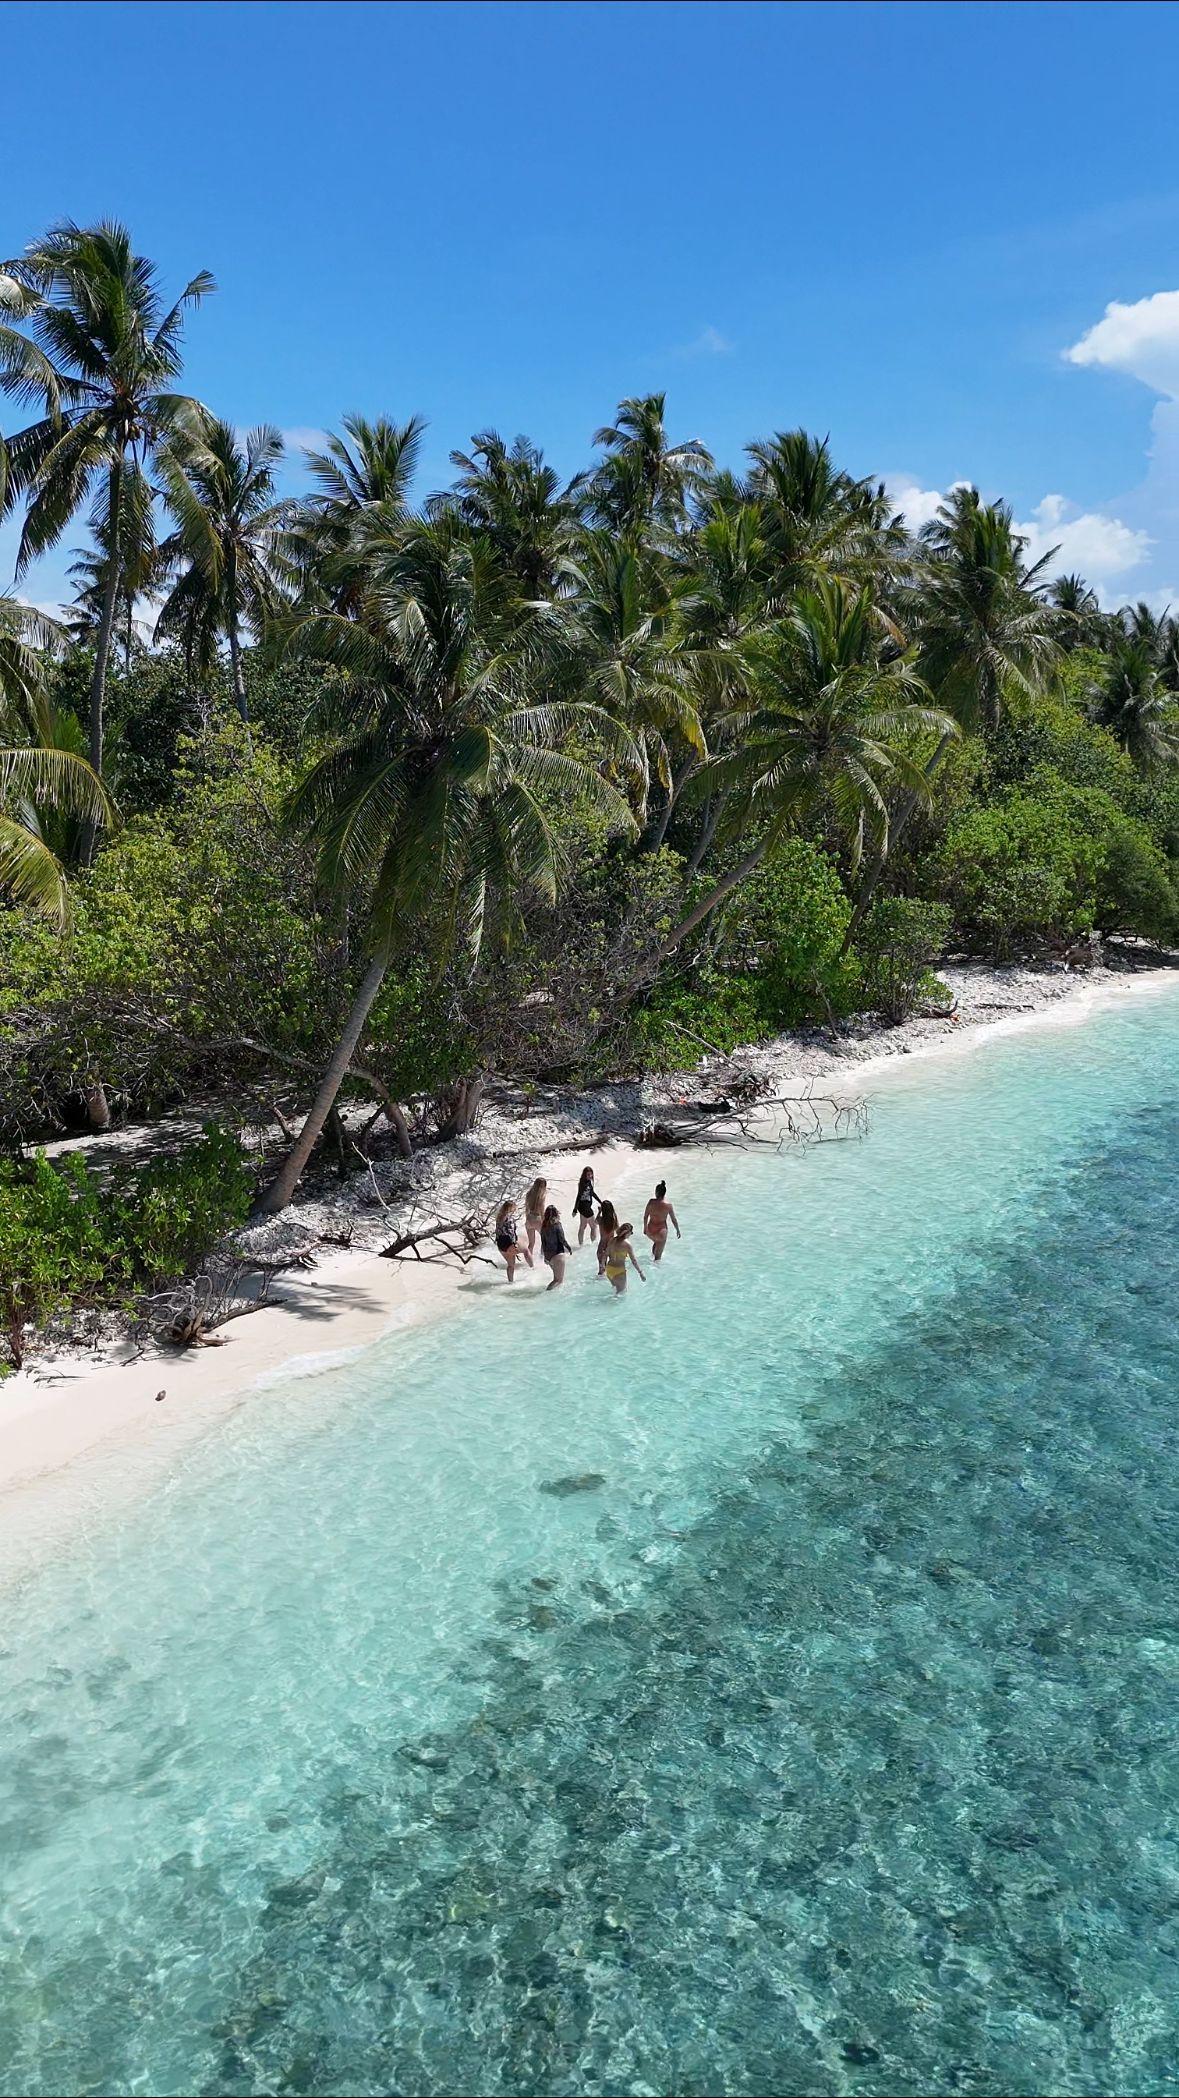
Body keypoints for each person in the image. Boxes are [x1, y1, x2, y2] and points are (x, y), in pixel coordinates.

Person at [642, 1180, 682, 1263]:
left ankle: (651, 1259)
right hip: (661, 1232)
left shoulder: (651, 1202)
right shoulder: (668, 1205)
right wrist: (677, 1230)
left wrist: (645, 1228)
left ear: (656, 1192)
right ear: (664, 1193)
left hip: (650, 1230)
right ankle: (654, 1272)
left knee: (656, 1243)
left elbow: (645, 1216)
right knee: (657, 1260)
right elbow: (673, 1220)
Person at [494, 1198, 532, 1283]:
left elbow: (498, 1232)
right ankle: (532, 1268)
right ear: (510, 1209)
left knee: (510, 1265)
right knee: (526, 1250)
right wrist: (514, 1244)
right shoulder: (509, 1219)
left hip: (500, 1245)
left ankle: (510, 1282)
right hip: (509, 1244)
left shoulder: (499, 1218)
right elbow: (511, 1233)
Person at [604, 1221, 646, 1296]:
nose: (631, 1234)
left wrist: (602, 1266)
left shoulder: (612, 1240)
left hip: (609, 1269)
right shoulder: (627, 1244)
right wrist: (640, 1272)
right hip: (619, 1271)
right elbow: (634, 1260)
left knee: (615, 1290)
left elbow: (605, 1254)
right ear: (627, 1233)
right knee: (621, 1294)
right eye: (631, 1232)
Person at [540, 1203, 573, 1289]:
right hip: (558, 1254)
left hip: (549, 1256)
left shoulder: (543, 1227)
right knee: (558, 1280)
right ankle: (546, 1293)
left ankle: (552, 1295)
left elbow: (543, 1243)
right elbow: (562, 1239)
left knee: (557, 1280)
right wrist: (569, 1248)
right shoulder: (557, 1224)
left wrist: (545, 1257)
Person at [571, 1165, 602, 1245]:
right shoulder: (583, 1184)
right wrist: (575, 1209)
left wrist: (600, 1202)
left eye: (591, 1174)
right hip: (584, 1207)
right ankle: (593, 1244)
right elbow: (578, 1196)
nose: (590, 1176)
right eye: (588, 1175)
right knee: (594, 1226)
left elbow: (592, 1193)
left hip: (585, 1206)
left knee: (583, 1226)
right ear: (584, 1175)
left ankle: (580, 1244)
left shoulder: (588, 1182)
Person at [524, 1177, 547, 1258]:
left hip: (529, 1219)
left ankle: (529, 1260)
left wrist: (527, 1219)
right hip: (537, 1218)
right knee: (544, 1240)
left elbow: (526, 1209)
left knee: (531, 1243)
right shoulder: (541, 1196)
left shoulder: (529, 1194)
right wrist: (545, 1221)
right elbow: (542, 1210)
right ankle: (542, 1258)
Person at [596, 1198, 619, 1277]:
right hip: (611, 1246)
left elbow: (595, 1221)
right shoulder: (613, 1220)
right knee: (613, 1269)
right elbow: (617, 1228)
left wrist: (599, 1211)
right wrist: (614, 1213)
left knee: (601, 1271)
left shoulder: (601, 1220)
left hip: (602, 1246)